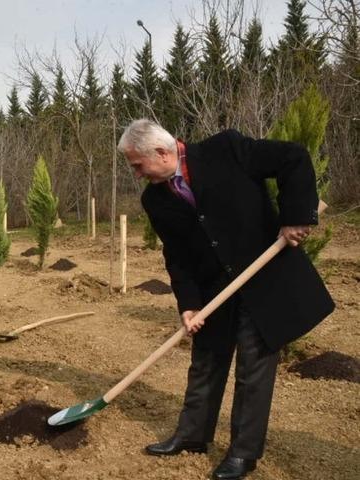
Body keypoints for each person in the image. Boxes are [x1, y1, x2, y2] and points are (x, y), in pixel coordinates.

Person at [118, 119, 334, 480]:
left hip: (264, 278)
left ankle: (243, 454)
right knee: (205, 361)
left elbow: (293, 157)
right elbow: (177, 255)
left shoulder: (226, 150)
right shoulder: (154, 198)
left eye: (137, 165)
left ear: (161, 151)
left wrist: (295, 216)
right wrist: (188, 304)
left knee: (253, 369)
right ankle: (191, 436)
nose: (137, 174)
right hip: (212, 289)